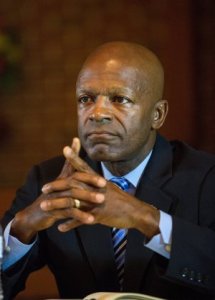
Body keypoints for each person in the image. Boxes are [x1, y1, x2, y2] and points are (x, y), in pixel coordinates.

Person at [1, 41, 215, 300]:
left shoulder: (205, 178)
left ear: (157, 114)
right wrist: (24, 226)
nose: (97, 113)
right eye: (86, 99)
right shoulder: (48, 181)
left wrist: (144, 218)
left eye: (119, 99)